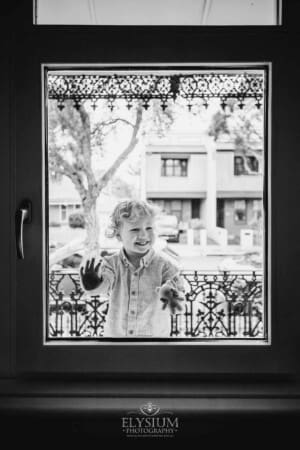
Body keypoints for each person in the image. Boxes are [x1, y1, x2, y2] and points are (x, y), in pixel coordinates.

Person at [80, 200, 185, 337]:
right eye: (135, 229)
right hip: (117, 341)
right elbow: (102, 287)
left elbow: (177, 308)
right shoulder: (111, 264)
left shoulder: (166, 266)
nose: (143, 235)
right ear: (118, 235)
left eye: (149, 228)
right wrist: (92, 283)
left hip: (153, 344)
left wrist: (170, 296)